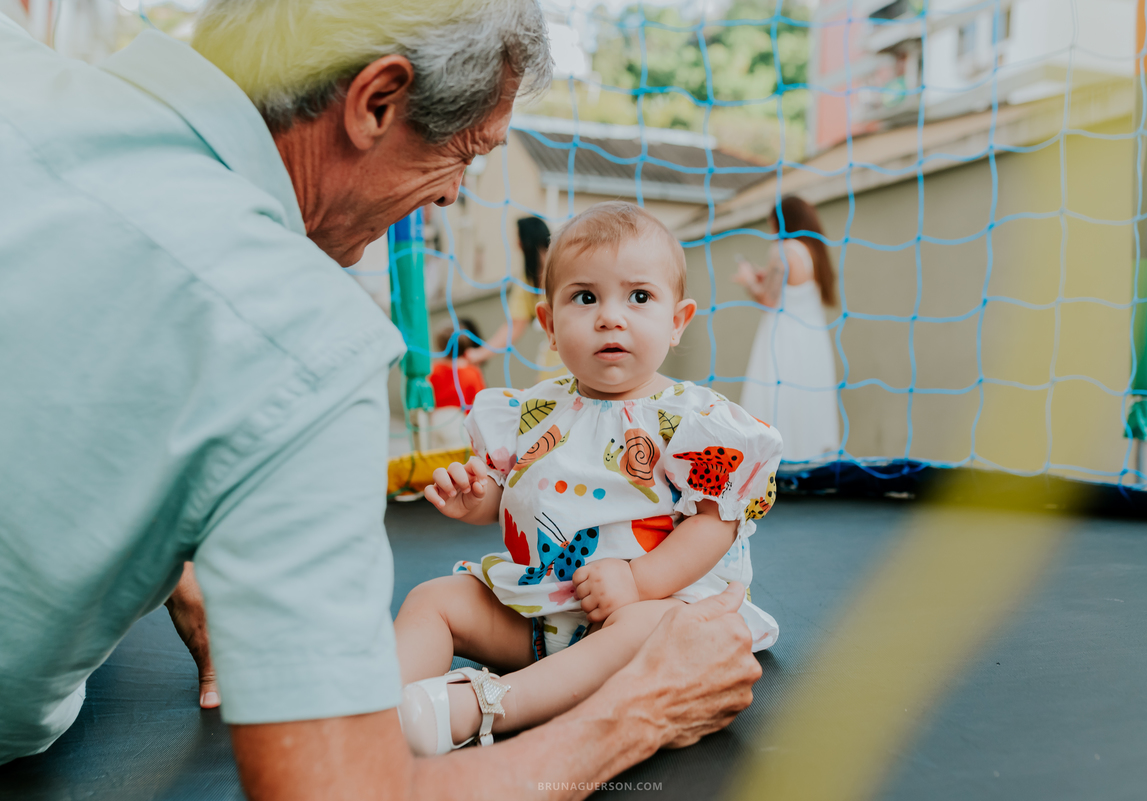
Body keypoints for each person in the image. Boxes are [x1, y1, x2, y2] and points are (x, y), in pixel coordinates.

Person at [0, 3, 763, 799]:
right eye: (463, 155)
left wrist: (169, 550)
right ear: (375, 103)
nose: (450, 197)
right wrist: (638, 713)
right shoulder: (303, 346)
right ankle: (464, 705)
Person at [401, 202, 783, 754]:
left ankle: (482, 708)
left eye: (639, 297)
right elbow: (511, 496)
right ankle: (379, 714)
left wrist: (639, 582)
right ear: (550, 326)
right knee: (433, 599)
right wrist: (478, 499)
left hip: (641, 619)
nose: (610, 317)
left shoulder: (694, 421)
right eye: (585, 298)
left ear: (677, 321)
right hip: (540, 613)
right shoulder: (531, 411)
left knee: (660, 625)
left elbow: (715, 523)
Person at [734, 195, 841, 463]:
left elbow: (768, 300)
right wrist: (765, 274)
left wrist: (748, 279)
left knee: (776, 402)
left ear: (781, 221)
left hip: (783, 341)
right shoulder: (812, 250)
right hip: (811, 341)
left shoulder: (783, 249)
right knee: (805, 405)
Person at [468, 215, 566, 381]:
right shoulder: (527, 282)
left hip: (578, 365)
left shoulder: (566, 267)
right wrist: (480, 354)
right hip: (553, 368)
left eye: (518, 238)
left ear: (526, 242)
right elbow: (514, 326)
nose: (516, 244)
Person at [424, 320, 486, 450]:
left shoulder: (433, 369)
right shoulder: (472, 371)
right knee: (458, 454)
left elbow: (427, 395)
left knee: (436, 454)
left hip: (435, 419)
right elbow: (478, 399)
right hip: (458, 419)